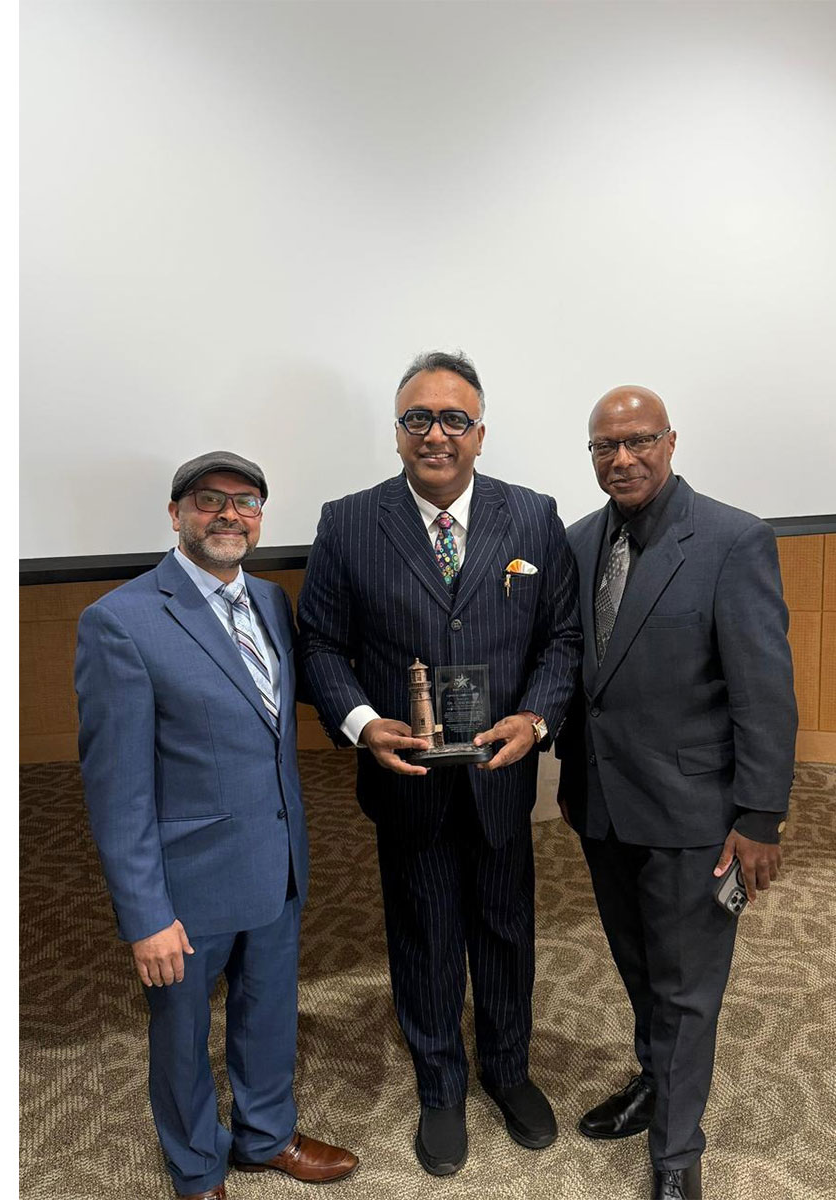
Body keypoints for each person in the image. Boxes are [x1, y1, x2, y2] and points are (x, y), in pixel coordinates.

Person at [298, 351, 582, 1177]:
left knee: (505, 927)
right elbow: (321, 642)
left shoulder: (532, 518)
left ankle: (508, 1070)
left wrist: (537, 716)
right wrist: (358, 722)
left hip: (500, 775)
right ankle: (440, 1085)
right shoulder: (349, 521)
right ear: (396, 435)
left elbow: (560, 639)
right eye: (417, 419)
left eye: (454, 419)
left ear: (481, 434)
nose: (436, 434)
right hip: (409, 779)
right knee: (422, 934)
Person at [74, 451, 358, 1200]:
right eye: (210, 500)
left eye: (248, 502)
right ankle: (197, 1167)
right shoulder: (120, 622)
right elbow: (118, 791)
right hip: (185, 886)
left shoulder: (270, 601)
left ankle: (265, 1137)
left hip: (276, 862)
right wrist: (146, 915)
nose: (230, 514)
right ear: (176, 514)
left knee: (270, 1013)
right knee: (180, 1039)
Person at [555, 387, 798, 1200]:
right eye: (603, 447)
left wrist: (759, 817)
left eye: (638, 441)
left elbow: (764, 693)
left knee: (689, 991)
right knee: (638, 969)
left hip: (699, 819)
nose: (621, 459)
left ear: (669, 440)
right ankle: (656, 1081)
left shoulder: (733, 539)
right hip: (602, 806)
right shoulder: (578, 541)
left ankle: (677, 1156)